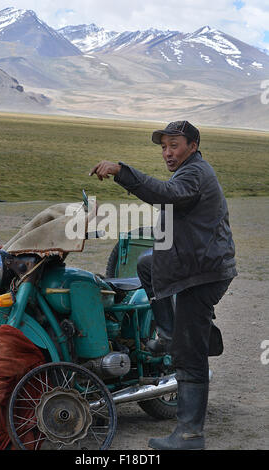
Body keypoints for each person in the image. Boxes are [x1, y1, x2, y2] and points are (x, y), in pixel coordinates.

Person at [89, 120, 237, 450]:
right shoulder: (190, 170)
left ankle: (189, 434)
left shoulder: (193, 174)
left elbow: (165, 195)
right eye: (163, 148)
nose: (167, 153)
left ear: (193, 145)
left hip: (201, 274)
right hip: (193, 263)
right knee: (146, 264)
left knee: (191, 353)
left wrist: (121, 171)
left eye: (174, 146)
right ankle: (168, 334)